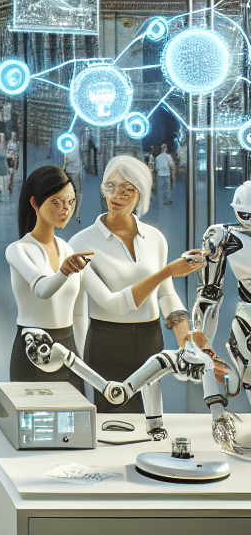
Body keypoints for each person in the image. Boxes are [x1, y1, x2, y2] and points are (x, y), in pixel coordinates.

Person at [69, 155, 215, 412]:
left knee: (151, 419)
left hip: (151, 341)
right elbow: (112, 305)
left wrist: (186, 338)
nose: (116, 195)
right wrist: (168, 270)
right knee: (113, 420)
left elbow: (166, 294)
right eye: (110, 186)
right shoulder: (80, 243)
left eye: (128, 189)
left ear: (142, 194)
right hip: (107, 342)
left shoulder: (155, 238)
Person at [5, 165, 93, 390]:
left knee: (75, 422)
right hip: (31, 350)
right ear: (35, 203)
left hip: (70, 353)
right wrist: (64, 271)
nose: (66, 209)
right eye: (57, 202)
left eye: (71, 202)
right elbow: (42, 289)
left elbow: (79, 313)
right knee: (33, 422)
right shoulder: (18, 250)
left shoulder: (67, 250)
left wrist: (84, 363)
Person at [62, 139, 84, 224]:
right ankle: (74, 213)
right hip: (73, 170)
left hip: (73, 170)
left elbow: (72, 157)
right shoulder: (71, 139)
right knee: (77, 193)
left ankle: (75, 213)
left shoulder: (71, 139)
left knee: (75, 192)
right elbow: (72, 157)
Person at [154, 143, 176, 209]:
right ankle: (168, 200)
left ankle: (160, 201)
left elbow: (156, 167)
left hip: (160, 174)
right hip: (167, 174)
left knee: (160, 188)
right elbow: (172, 165)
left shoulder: (157, 158)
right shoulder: (168, 156)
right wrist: (173, 174)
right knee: (167, 188)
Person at [7, 131, 20, 195]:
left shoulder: (17, 144)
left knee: (13, 173)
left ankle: (11, 185)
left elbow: (17, 153)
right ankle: (10, 185)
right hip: (10, 159)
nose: (14, 137)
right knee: (11, 173)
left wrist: (17, 161)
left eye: (15, 136)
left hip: (14, 160)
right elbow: (7, 152)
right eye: (13, 136)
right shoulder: (9, 144)